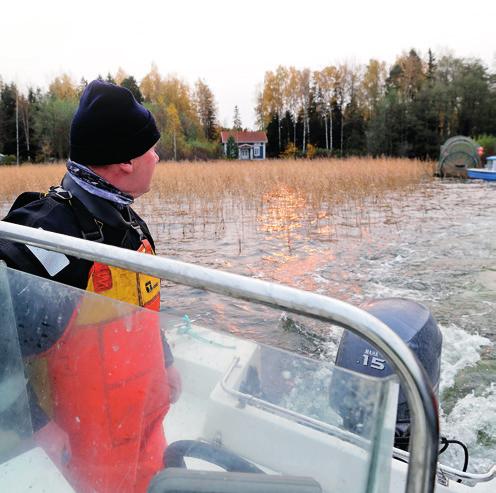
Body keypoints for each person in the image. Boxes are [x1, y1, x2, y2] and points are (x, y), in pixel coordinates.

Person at [0, 80, 181, 492]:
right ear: (124, 164)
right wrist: (37, 425)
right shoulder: (46, 240)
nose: (157, 156)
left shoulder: (131, 224)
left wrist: (166, 359)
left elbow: (141, 311)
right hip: (84, 458)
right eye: (149, 147)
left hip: (147, 433)